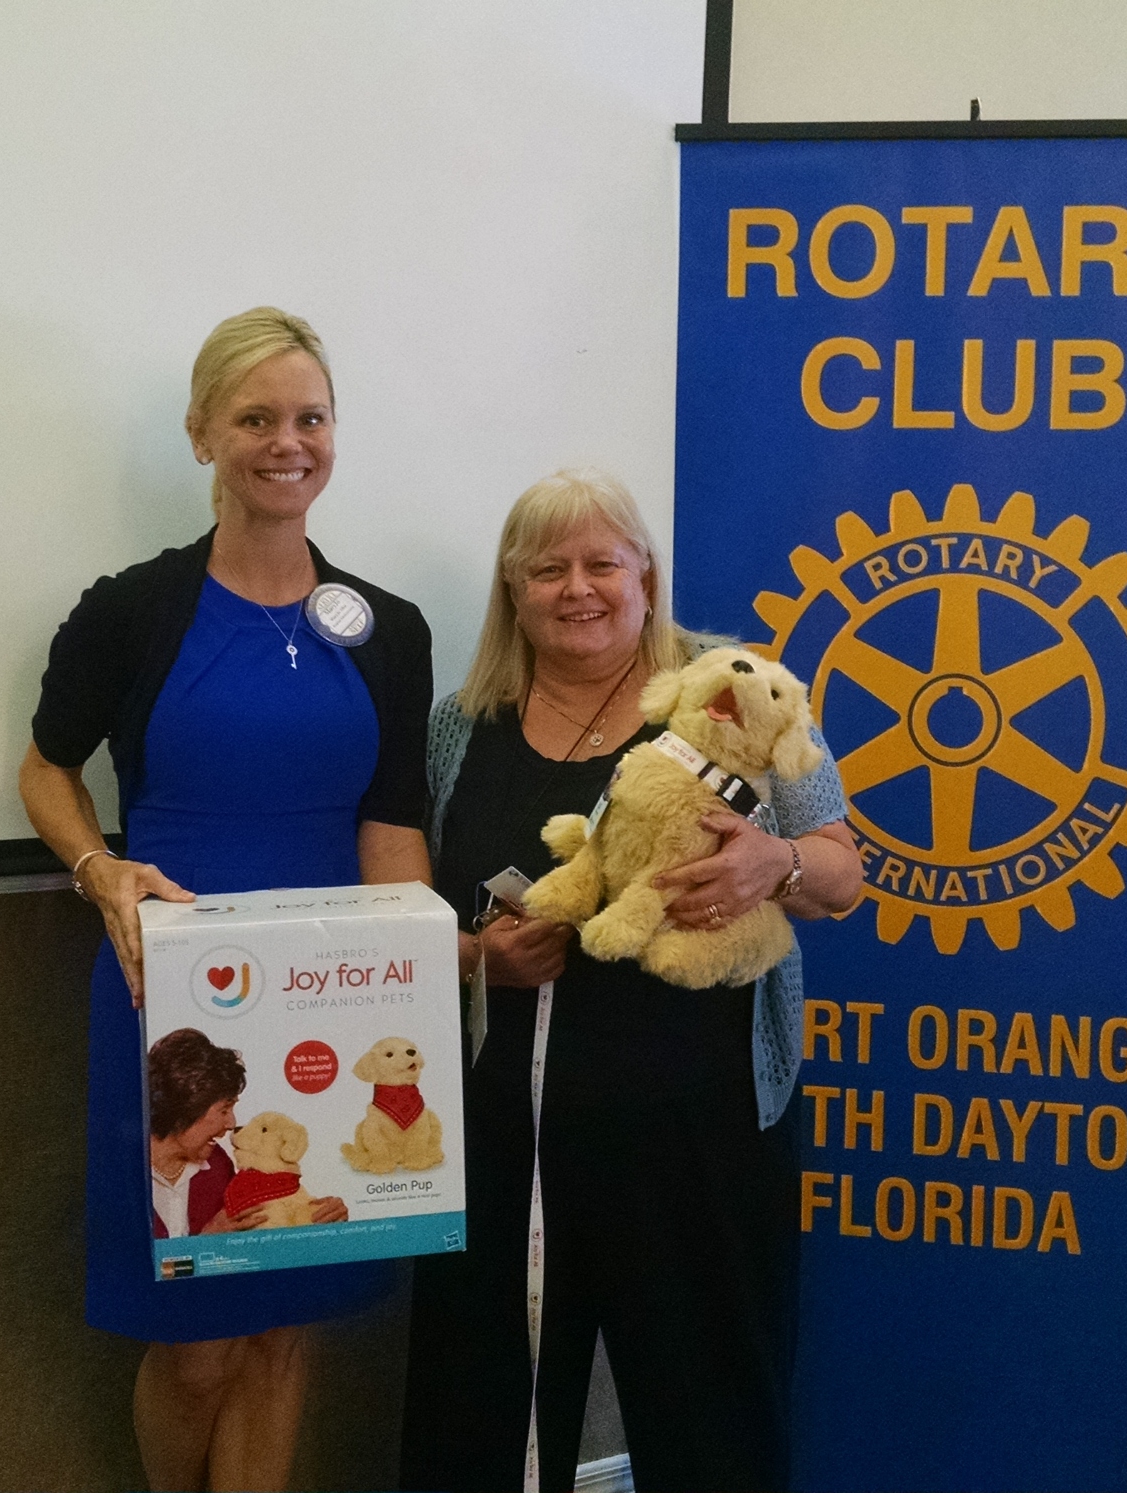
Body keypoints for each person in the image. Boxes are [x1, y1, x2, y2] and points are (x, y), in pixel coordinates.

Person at [18, 307, 434, 1493]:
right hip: (172, 1013)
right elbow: (45, 768)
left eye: (310, 417)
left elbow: (391, 826)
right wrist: (98, 869)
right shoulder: (132, 611)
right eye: (255, 418)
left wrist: (419, 976)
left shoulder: (389, 630)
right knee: (195, 1344)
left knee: (283, 1332)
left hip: (330, 1015)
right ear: (203, 433)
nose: (286, 442)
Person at [397, 469, 863, 1492]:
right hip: (503, 1140)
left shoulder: (731, 686)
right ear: (511, 588)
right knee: (478, 1417)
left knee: (711, 1422)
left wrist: (773, 863)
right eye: (547, 569)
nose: (578, 588)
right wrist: (479, 955)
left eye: (602, 563)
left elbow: (843, 872)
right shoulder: (457, 724)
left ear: (646, 575)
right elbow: (416, 912)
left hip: (699, 1134)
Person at [145, 1028, 348, 1240]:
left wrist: (321, 1217)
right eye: (224, 1110)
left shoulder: (218, 1166)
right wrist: (204, 1242)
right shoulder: (126, 1173)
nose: (231, 1123)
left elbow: (266, 1234)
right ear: (184, 1107)